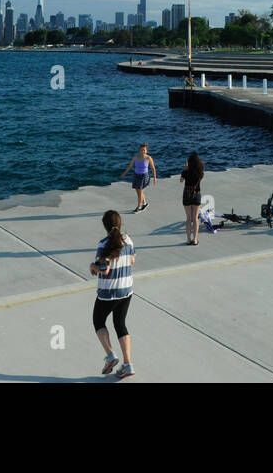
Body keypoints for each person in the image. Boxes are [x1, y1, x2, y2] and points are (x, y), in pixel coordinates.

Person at [89, 209, 136, 379]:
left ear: (105, 226)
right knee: (120, 323)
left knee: (98, 321)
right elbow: (132, 260)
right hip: (126, 290)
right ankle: (128, 364)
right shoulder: (128, 240)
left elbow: (104, 269)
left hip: (108, 293)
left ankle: (110, 355)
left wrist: (92, 267)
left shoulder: (103, 244)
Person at [120, 143, 157, 212]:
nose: (142, 151)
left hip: (144, 177)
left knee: (140, 193)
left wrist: (155, 178)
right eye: (141, 150)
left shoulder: (148, 158)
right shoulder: (135, 157)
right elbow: (130, 166)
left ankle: (138, 207)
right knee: (139, 192)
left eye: (144, 150)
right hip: (136, 175)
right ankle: (145, 203)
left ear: (146, 151)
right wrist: (124, 174)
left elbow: (153, 168)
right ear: (139, 150)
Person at [180, 154, 205, 245]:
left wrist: (185, 168)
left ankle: (188, 239)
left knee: (188, 219)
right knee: (195, 219)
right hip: (197, 194)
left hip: (187, 194)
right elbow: (201, 174)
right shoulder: (200, 172)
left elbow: (181, 180)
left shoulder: (186, 172)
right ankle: (195, 239)